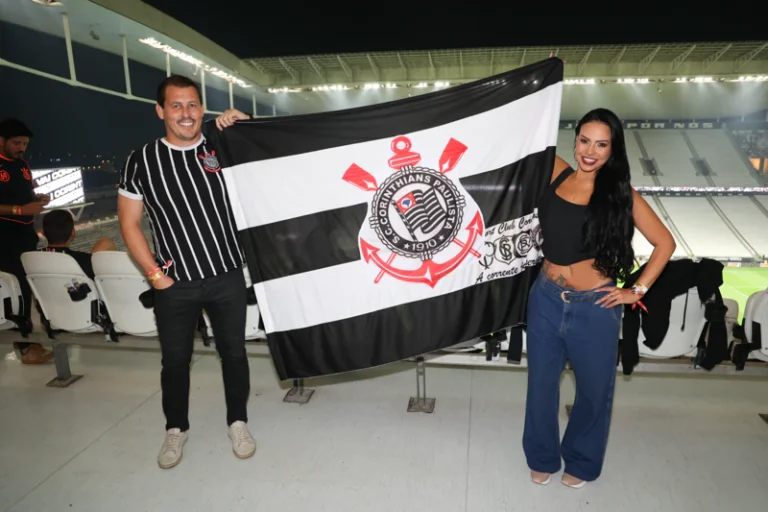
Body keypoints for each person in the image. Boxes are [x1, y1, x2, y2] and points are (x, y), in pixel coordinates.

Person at [523, 108, 676, 488]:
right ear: (574, 140)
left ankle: (582, 461)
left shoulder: (621, 195)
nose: (590, 151)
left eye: (601, 144)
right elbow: (524, 136)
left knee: (593, 393)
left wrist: (635, 291)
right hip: (545, 299)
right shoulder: (556, 171)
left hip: (595, 307)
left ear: (613, 149)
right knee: (540, 387)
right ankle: (541, 456)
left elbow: (665, 244)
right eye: (584, 141)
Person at [117, 74, 253, 469]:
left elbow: (267, 153)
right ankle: (176, 428)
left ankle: (238, 421)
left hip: (226, 274)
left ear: (202, 108)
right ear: (160, 111)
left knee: (234, 355)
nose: (186, 113)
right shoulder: (141, 160)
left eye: (192, 104)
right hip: (174, 283)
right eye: (176, 105)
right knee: (175, 362)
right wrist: (155, 276)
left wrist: (244, 123)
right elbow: (129, 224)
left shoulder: (220, 144)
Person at [0, 118, 53, 364]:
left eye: (24, 144)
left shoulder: (22, 165)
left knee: (27, 288)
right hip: (4, 238)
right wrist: (20, 210)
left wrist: (37, 198)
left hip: (25, 236)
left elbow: (25, 194)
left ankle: (28, 339)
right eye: (16, 143)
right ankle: (25, 347)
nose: (21, 148)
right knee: (14, 290)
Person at [40, 209, 117, 279]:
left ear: (42, 232)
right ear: (73, 233)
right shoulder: (86, 261)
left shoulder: (34, 259)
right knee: (105, 242)